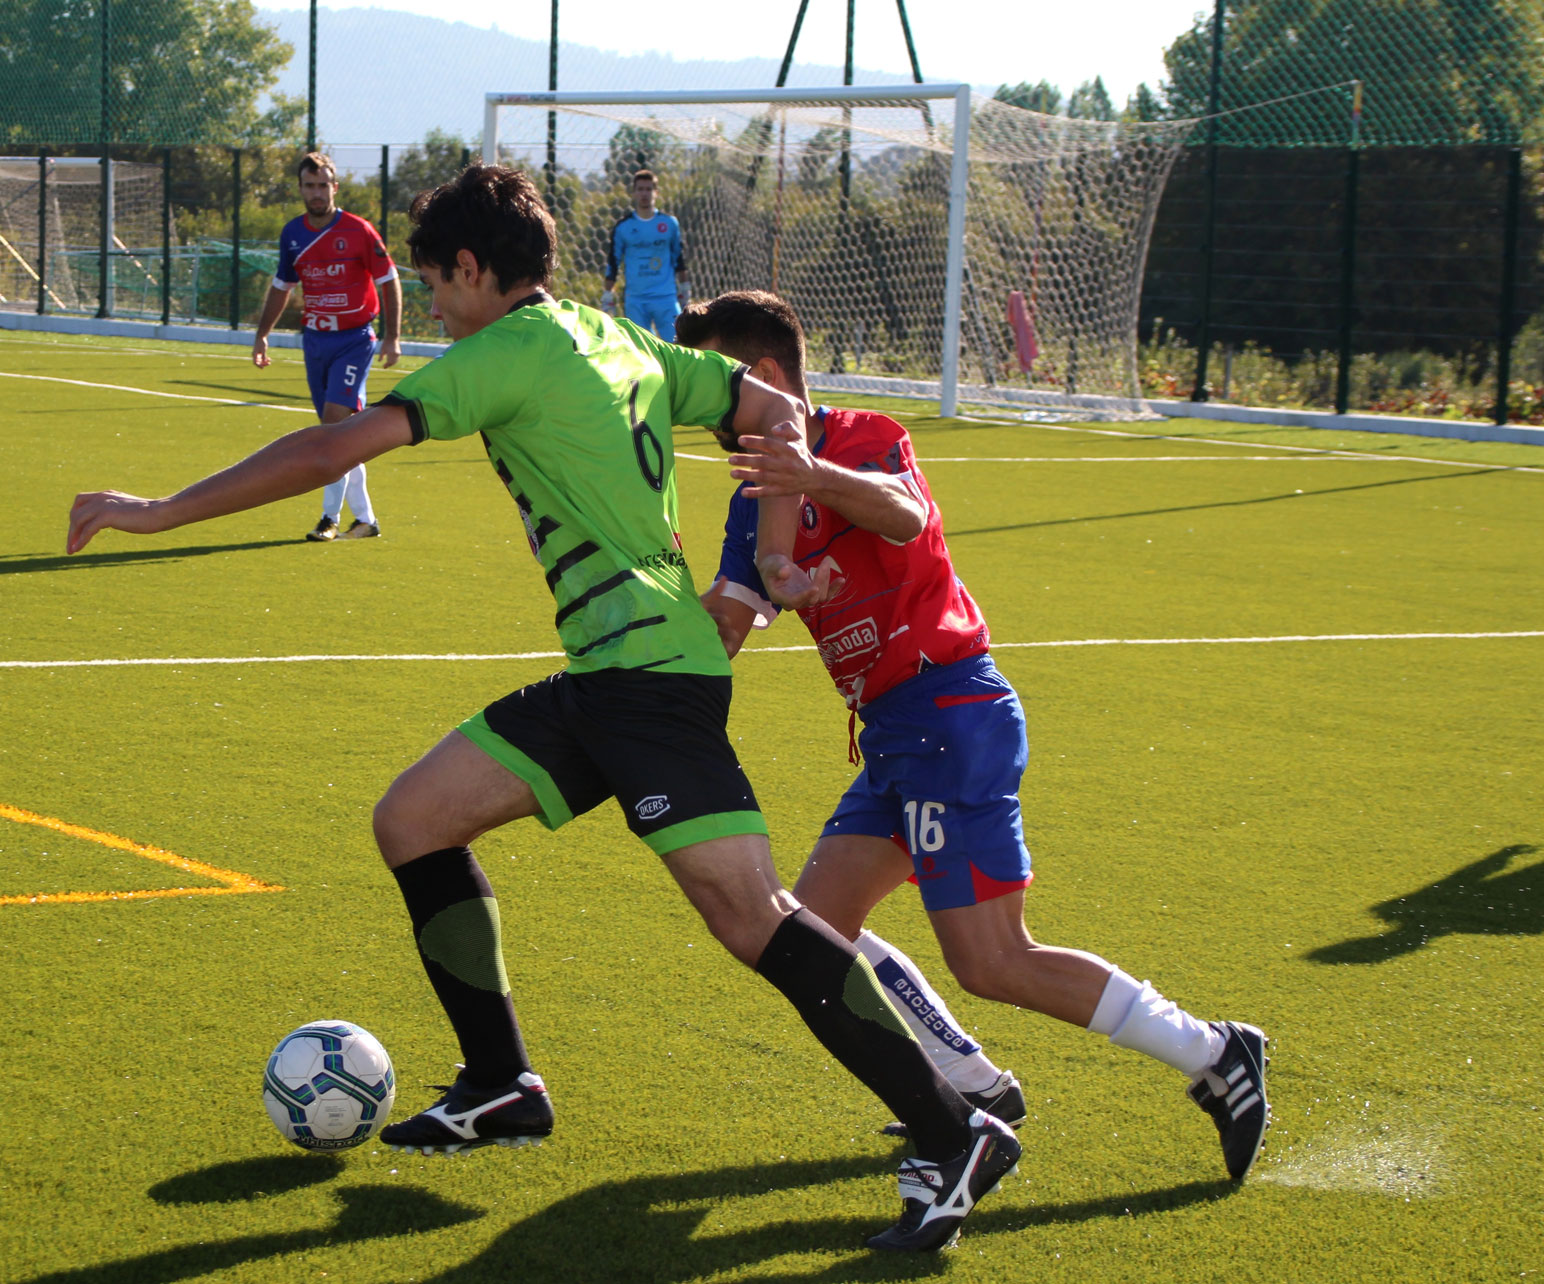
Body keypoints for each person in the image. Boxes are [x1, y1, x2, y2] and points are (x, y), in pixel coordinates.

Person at [70, 165, 1018, 1255]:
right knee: (414, 820)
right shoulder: (614, 338)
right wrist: (771, 513)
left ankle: (956, 1136)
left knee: (750, 917)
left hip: (651, 684)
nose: (430, 303)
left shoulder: (504, 355)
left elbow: (333, 445)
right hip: (608, 677)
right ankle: (498, 1084)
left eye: (432, 281)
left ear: (473, 270)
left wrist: (159, 511)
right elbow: (769, 404)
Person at [679, 289, 1272, 1196]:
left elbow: (904, 514)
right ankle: (968, 1080)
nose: (712, 415)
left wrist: (808, 471)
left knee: (993, 958)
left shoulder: (862, 435)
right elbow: (729, 617)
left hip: (950, 711)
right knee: (814, 929)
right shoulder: (754, 497)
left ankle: (1214, 1051)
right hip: (896, 732)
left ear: (761, 377)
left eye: (717, 386)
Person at [251, 152, 401, 541]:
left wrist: (392, 335)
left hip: (354, 340)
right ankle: (366, 520)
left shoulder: (359, 231)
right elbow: (282, 287)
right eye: (309, 185)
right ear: (301, 189)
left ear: (335, 187)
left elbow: (388, 279)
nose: (316, 193)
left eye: (323, 185)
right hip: (315, 341)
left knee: (334, 430)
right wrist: (262, 333)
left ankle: (328, 518)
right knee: (340, 433)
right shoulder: (292, 234)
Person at [601, 169, 687, 341]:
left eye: (648, 189)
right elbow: (613, 262)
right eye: (640, 189)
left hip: (665, 296)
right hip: (636, 299)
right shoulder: (623, 227)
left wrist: (685, 286)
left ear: (656, 192)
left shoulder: (669, 223)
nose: (644, 194)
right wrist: (607, 293)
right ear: (634, 193)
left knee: (679, 344)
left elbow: (679, 257)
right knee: (642, 348)